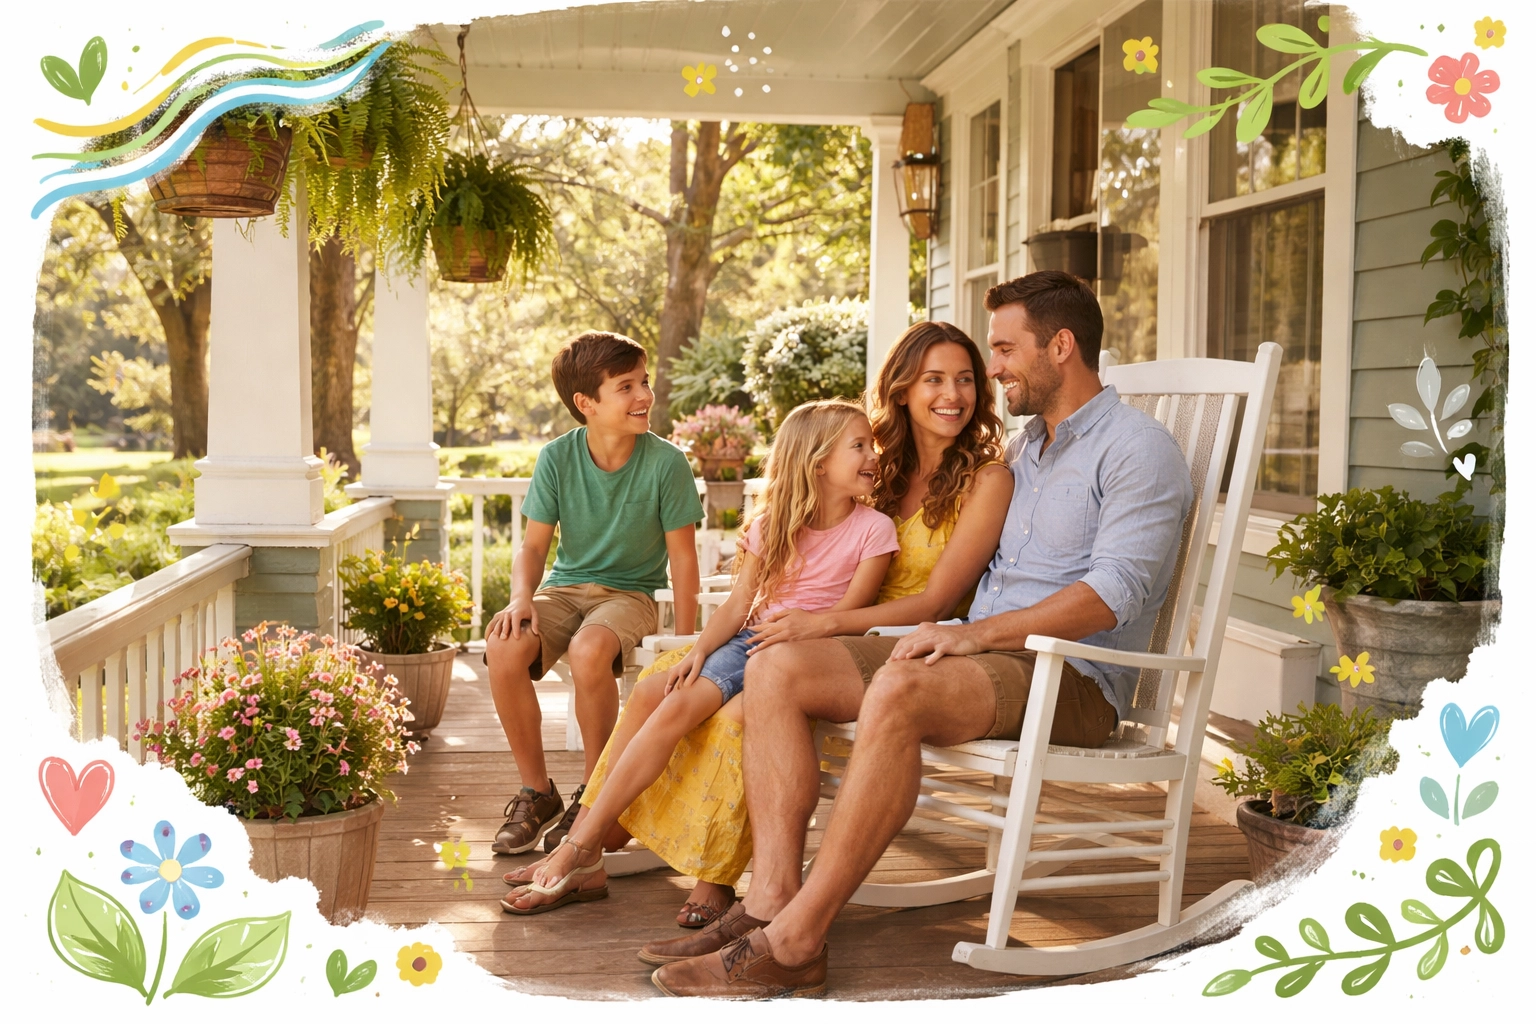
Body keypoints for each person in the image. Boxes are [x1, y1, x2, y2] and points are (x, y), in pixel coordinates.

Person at [650, 270, 1196, 998]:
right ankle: (770, 898)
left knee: (901, 690)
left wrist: (974, 633)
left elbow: (1112, 595)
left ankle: (796, 942)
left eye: (1003, 350)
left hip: (1070, 678)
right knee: (778, 665)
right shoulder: (1031, 449)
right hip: (980, 655)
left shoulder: (1137, 449)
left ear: (1060, 346)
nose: (993, 369)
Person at [500, 323, 1011, 940]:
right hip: (787, 633)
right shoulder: (882, 471)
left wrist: (816, 623)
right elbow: (773, 563)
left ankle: (708, 871)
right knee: (653, 690)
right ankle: (597, 838)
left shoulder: (979, 480)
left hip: (873, 642)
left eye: (964, 379)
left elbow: (926, 598)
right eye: (933, 379)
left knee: (732, 712)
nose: (952, 393)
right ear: (902, 390)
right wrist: (702, 642)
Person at [501, 398, 900, 914]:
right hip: (745, 644)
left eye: (871, 443)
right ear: (818, 461)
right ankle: (584, 843)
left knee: (699, 717)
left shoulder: (874, 529)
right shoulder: (772, 524)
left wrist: (794, 634)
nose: (874, 454)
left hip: (808, 657)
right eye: (859, 445)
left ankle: (587, 849)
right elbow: (740, 602)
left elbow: (847, 615)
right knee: (670, 705)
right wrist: (699, 651)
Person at [483, 331, 701, 858]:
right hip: (564, 589)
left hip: (630, 596)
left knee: (589, 649)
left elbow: (683, 559)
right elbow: (534, 547)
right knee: (504, 645)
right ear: (587, 403)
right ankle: (538, 793)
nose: (644, 396)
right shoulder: (557, 458)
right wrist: (521, 598)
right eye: (626, 387)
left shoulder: (666, 463)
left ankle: (595, 792)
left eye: (644, 382)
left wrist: (689, 639)